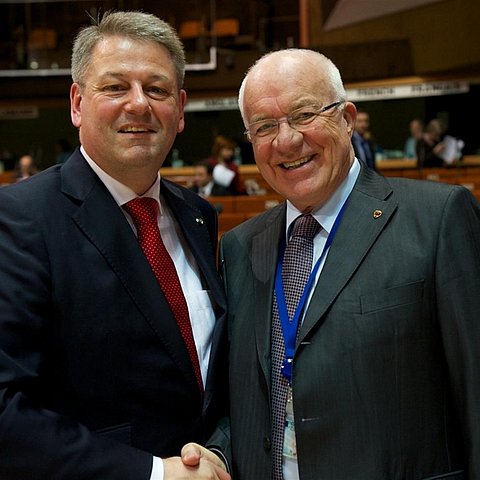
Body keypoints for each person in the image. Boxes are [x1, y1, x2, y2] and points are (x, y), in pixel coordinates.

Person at [201, 48, 480, 479]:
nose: (287, 139)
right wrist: (217, 454)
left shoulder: (437, 219)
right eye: (264, 126)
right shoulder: (239, 247)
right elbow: (240, 399)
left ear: (347, 118)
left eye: (305, 113)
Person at [0, 11, 229, 480]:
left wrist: (218, 453)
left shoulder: (199, 215)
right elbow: (5, 411)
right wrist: (154, 474)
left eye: (157, 89)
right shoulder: (18, 219)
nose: (139, 104)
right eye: (115, 87)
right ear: (77, 103)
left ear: (181, 109)